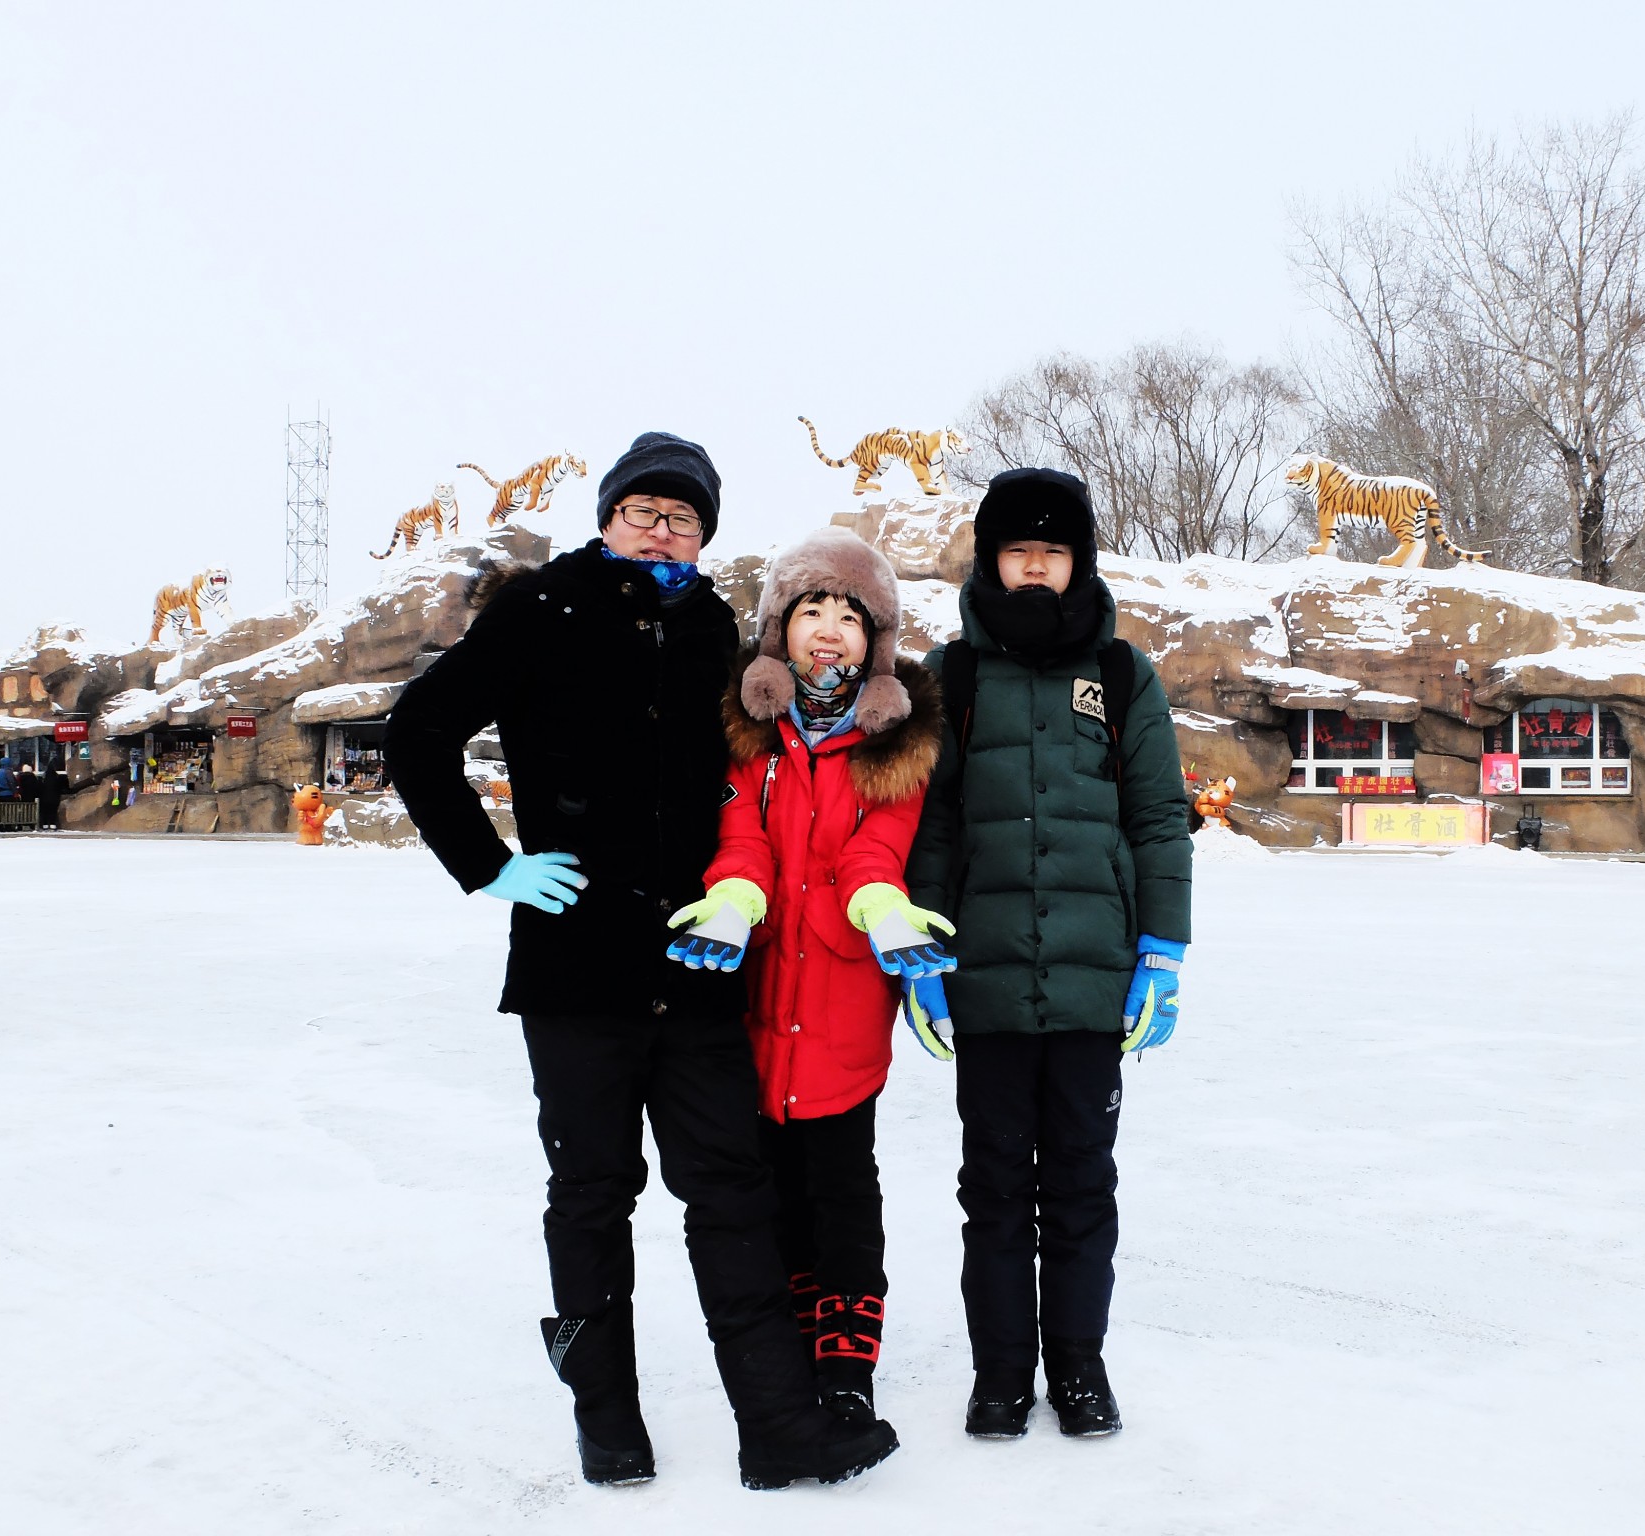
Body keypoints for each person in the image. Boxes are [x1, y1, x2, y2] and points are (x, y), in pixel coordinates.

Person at [383, 433, 897, 1492]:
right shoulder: (541, 606)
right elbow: (419, 731)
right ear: (609, 514)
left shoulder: (713, 627)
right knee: (592, 1188)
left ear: (705, 535)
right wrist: (488, 867)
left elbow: (773, 767)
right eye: (644, 512)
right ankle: (605, 1415)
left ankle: (779, 1427)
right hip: (577, 968)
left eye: (684, 519)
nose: (662, 531)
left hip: (703, 964)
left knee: (730, 1188)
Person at [905, 468, 1194, 1440]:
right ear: (990, 559)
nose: (1034, 566)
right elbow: (932, 826)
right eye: (1017, 550)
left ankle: (1075, 1366)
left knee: (1078, 1185)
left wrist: (1160, 949)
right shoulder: (949, 677)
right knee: (990, 1191)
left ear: (1077, 563)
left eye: (1052, 550)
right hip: (981, 979)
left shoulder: (1120, 674)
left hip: (1088, 980)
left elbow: (1158, 817)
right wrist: (922, 958)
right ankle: (997, 1377)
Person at [666, 527, 948, 1430]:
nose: (829, 630)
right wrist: (733, 898)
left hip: (840, 1012)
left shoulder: (895, 744)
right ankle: (788, 1342)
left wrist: (883, 909)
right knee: (772, 1191)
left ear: (878, 640)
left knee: (840, 1193)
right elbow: (742, 839)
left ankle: (846, 1363)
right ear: (780, 631)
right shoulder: (750, 736)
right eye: (811, 610)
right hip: (753, 1007)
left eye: (850, 616)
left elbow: (877, 851)